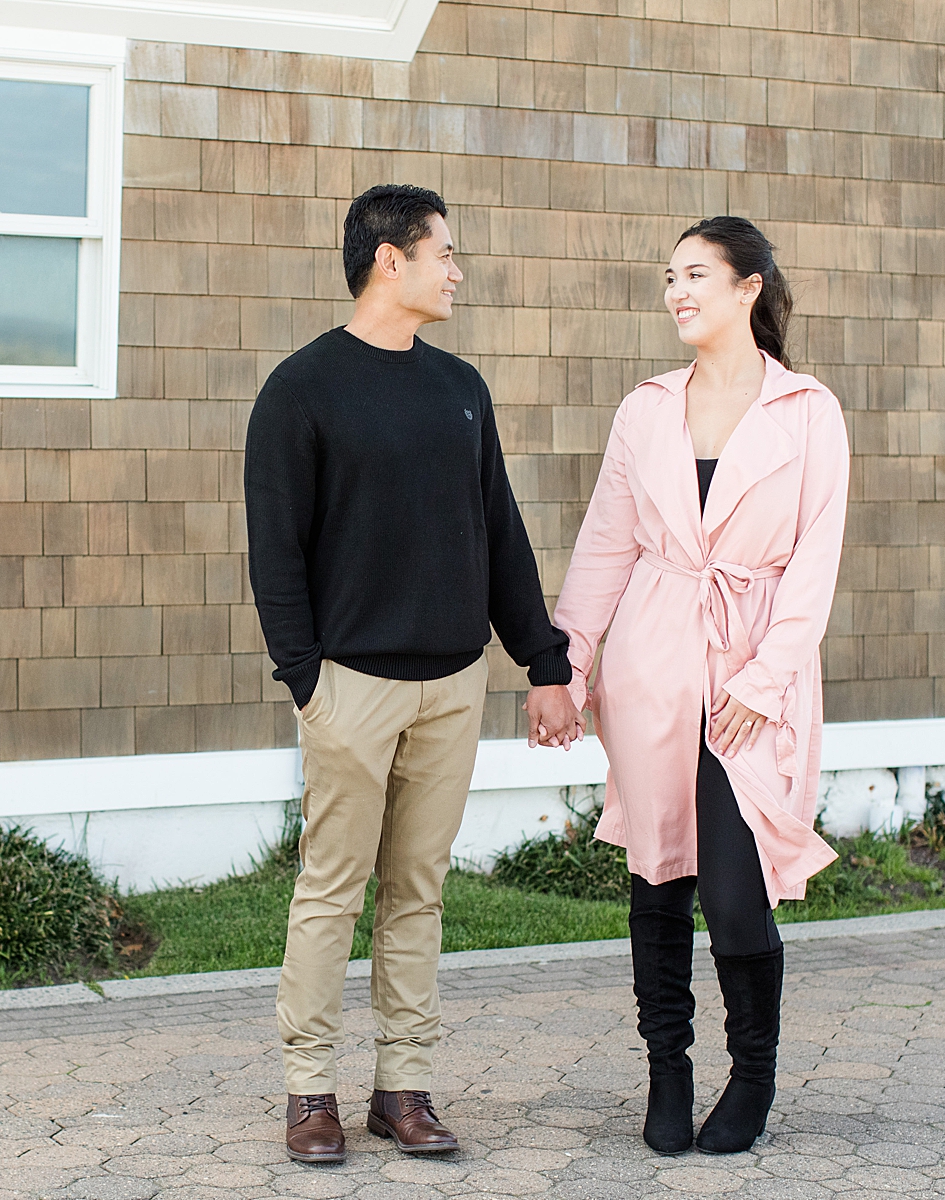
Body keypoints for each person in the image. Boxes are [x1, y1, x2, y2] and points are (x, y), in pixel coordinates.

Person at [245, 183, 584, 1165]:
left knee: (418, 892)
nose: (458, 270)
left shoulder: (460, 390)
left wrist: (543, 663)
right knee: (331, 892)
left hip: (451, 686)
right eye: (446, 253)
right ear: (390, 259)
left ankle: (404, 1089)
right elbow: (277, 554)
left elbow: (501, 538)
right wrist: (307, 679)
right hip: (349, 685)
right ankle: (311, 1094)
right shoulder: (300, 391)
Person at [553, 216, 849, 1156]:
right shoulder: (646, 408)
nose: (677, 292)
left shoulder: (808, 411)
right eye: (669, 277)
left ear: (749, 286)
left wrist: (766, 678)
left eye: (696, 275)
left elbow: (815, 561)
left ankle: (753, 1076)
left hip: (752, 670)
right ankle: (668, 1073)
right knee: (655, 876)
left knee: (731, 889)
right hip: (651, 660)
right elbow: (607, 543)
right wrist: (565, 666)